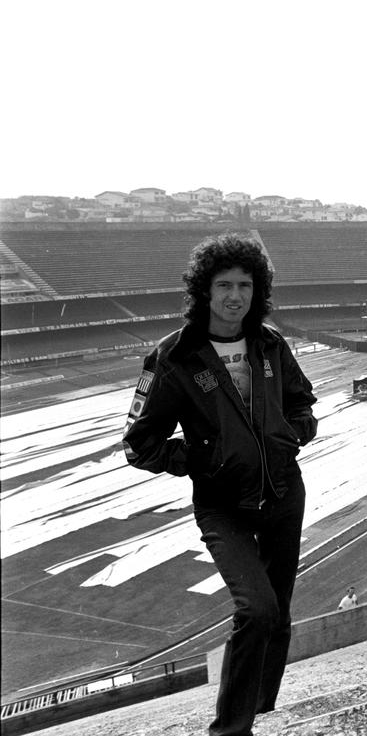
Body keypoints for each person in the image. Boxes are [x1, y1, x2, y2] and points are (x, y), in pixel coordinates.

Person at [123, 232, 318, 736]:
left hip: (282, 492)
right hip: (222, 504)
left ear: (258, 291)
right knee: (256, 608)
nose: (236, 295)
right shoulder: (174, 357)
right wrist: (199, 459)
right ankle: (230, 731)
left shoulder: (271, 345)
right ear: (204, 291)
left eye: (246, 285)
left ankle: (264, 710)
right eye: (225, 284)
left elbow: (302, 402)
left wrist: (292, 435)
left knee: (278, 614)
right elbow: (138, 444)